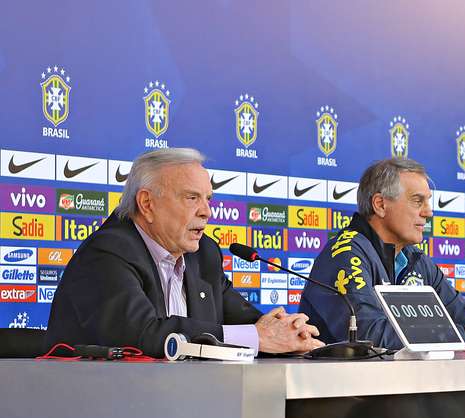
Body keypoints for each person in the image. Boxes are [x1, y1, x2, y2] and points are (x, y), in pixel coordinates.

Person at [44, 148, 322, 358]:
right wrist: (259, 337)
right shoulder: (106, 253)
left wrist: (287, 332)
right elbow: (142, 334)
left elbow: (247, 321)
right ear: (147, 204)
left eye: (208, 199)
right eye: (192, 198)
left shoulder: (203, 254)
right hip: (98, 408)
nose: (206, 211)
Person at [299, 157, 465, 350]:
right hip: (341, 393)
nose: (429, 212)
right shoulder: (346, 253)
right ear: (380, 204)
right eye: (418, 201)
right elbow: (368, 335)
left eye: (428, 201)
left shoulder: (416, 259)